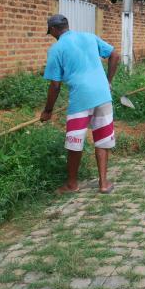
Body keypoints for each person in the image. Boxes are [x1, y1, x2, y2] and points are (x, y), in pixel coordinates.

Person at [40, 14, 119, 194]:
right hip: (103, 95)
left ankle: (72, 184)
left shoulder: (56, 49)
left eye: (50, 32)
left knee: (75, 142)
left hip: (80, 99)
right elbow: (115, 55)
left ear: (53, 30)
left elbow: (55, 85)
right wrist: (108, 81)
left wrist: (48, 111)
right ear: (67, 26)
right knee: (103, 139)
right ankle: (104, 184)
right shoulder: (90, 37)